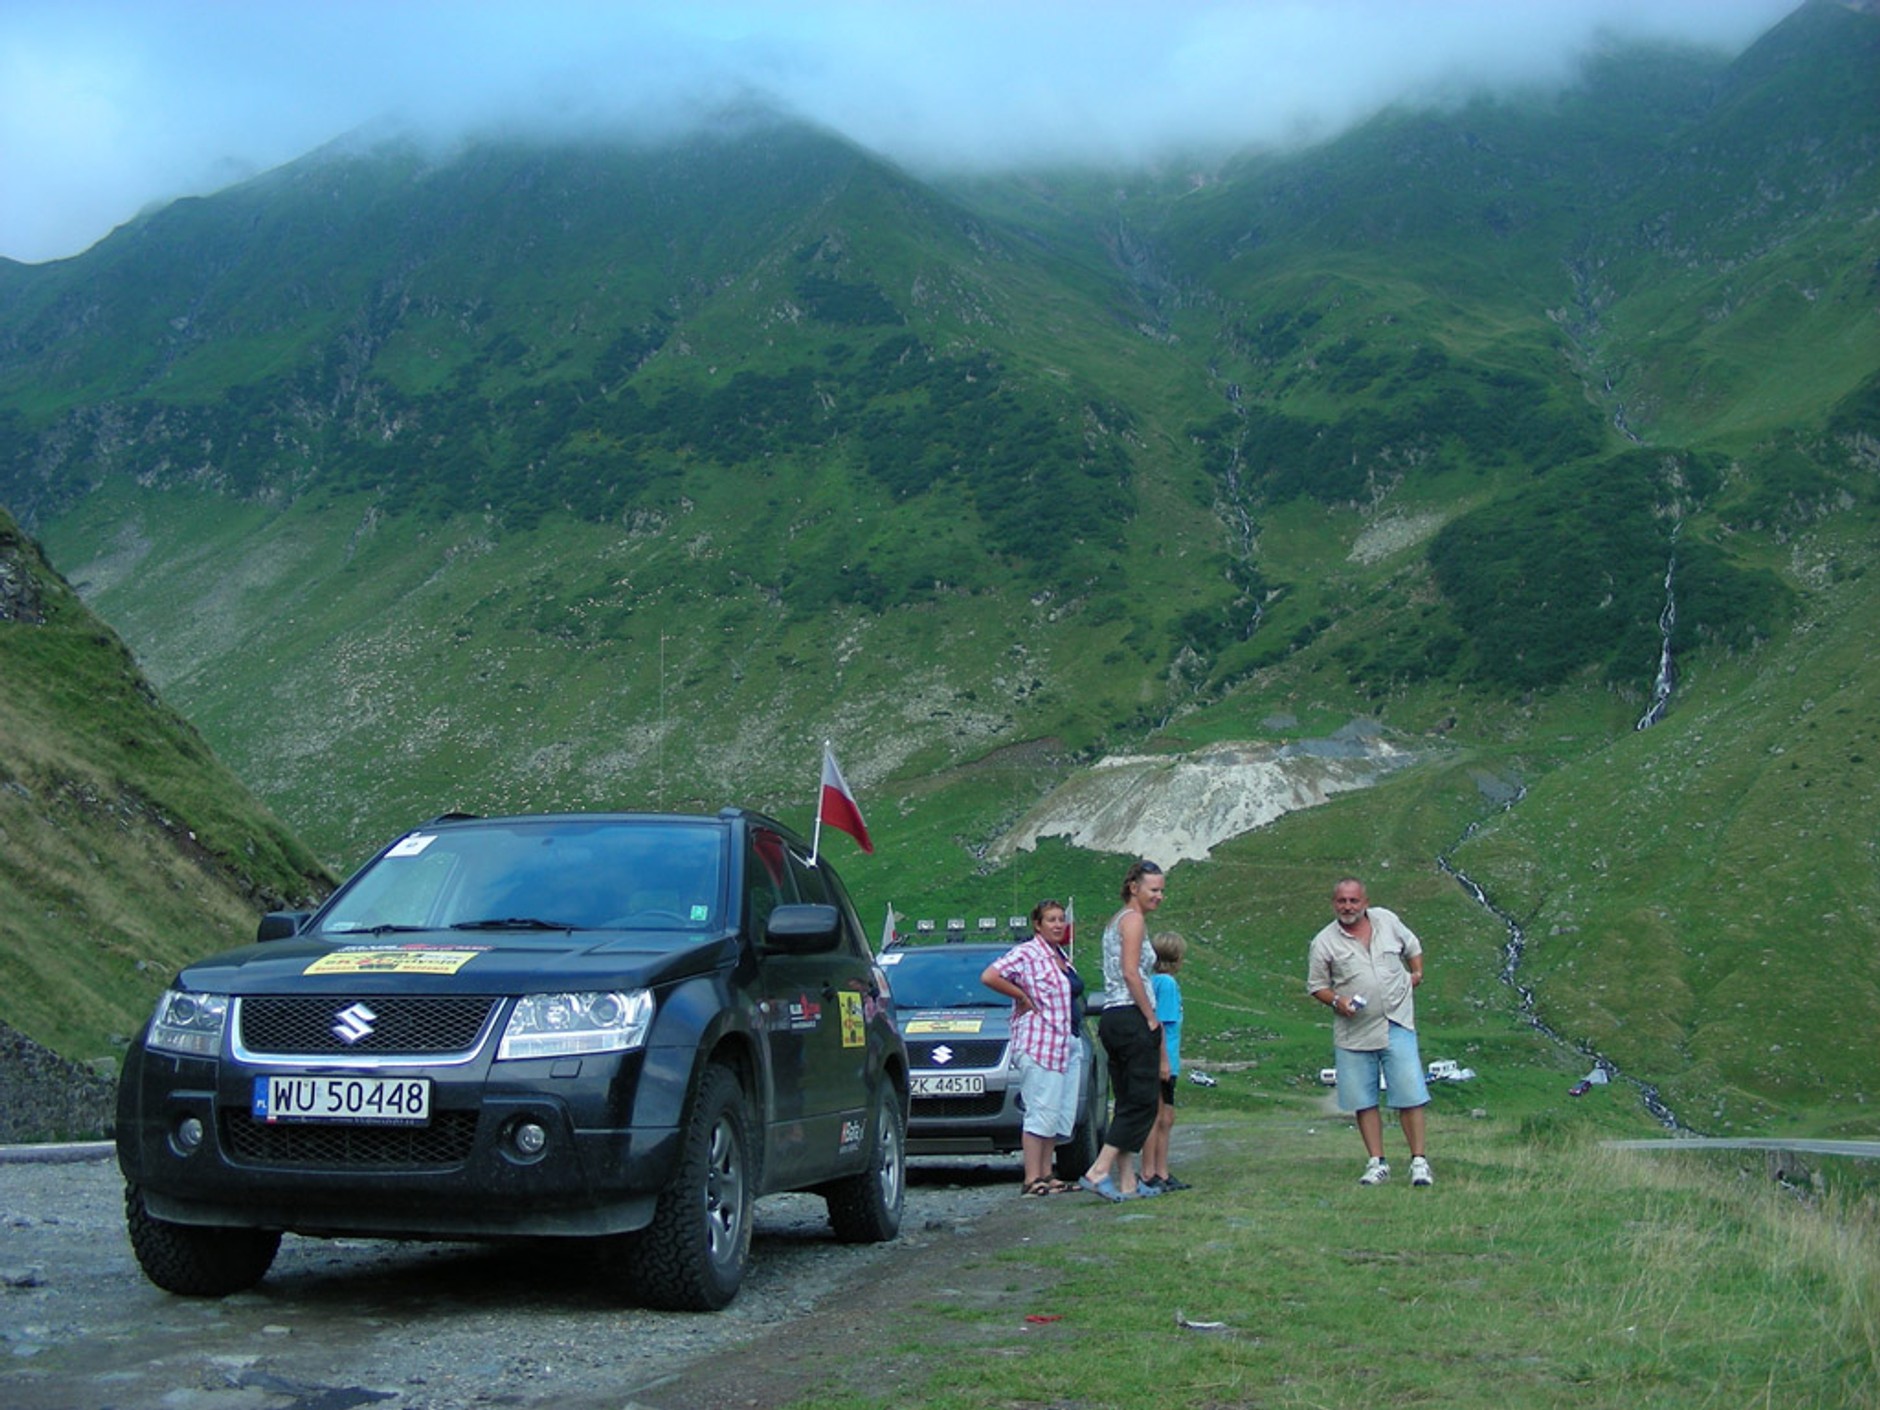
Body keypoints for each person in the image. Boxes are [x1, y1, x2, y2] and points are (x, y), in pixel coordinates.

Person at [1307, 876, 1433, 1187]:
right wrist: (1338, 1000)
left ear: (1365, 901)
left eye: (1353, 901)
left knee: (1410, 1093)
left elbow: (1412, 946)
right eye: (1341, 901)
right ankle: (1377, 1162)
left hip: (1397, 1022)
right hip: (1355, 1032)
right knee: (1363, 1099)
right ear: (1333, 903)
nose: (1347, 907)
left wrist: (1416, 973)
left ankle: (1419, 1162)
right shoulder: (1323, 942)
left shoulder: (1387, 920)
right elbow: (1316, 986)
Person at [981, 899, 1085, 1196]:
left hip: (1066, 1040)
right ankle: (1031, 1177)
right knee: (1040, 1107)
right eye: (1050, 919)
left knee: (1056, 1110)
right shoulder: (1027, 953)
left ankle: (1047, 1173)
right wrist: (1021, 996)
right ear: (1037, 924)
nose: (1057, 925)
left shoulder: (1061, 955)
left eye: (1060, 919)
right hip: (1040, 1040)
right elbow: (990, 975)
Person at [1077, 860, 1167, 1201]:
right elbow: (1132, 973)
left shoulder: (1114, 921)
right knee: (1143, 1101)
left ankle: (1128, 1180)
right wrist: (1151, 1017)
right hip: (1131, 1014)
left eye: (1161, 890)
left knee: (1126, 1098)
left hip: (1111, 1015)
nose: (1159, 896)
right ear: (1134, 888)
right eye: (1154, 890)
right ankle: (1099, 1170)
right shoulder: (1133, 921)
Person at [1139, 931, 1189, 1193]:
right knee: (1160, 1115)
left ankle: (1160, 1169)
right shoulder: (1166, 984)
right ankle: (1153, 1170)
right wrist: (1164, 1061)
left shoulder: (1153, 981)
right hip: (1164, 1057)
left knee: (1166, 1115)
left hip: (1163, 1057)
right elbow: (1161, 1024)